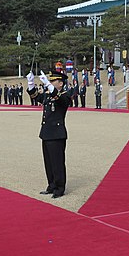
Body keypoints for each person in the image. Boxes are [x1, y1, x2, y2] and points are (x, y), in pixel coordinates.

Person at [26, 67, 76, 198]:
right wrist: (30, 84)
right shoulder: (49, 95)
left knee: (57, 162)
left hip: (57, 134)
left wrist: (48, 85)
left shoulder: (65, 95)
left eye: (53, 81)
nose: (50, 82)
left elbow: (59, 99)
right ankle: (51, 185)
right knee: (48, 162)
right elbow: (35, 96)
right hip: (46, 133)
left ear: (60, 83)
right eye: (50, 81)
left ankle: (60, 188)